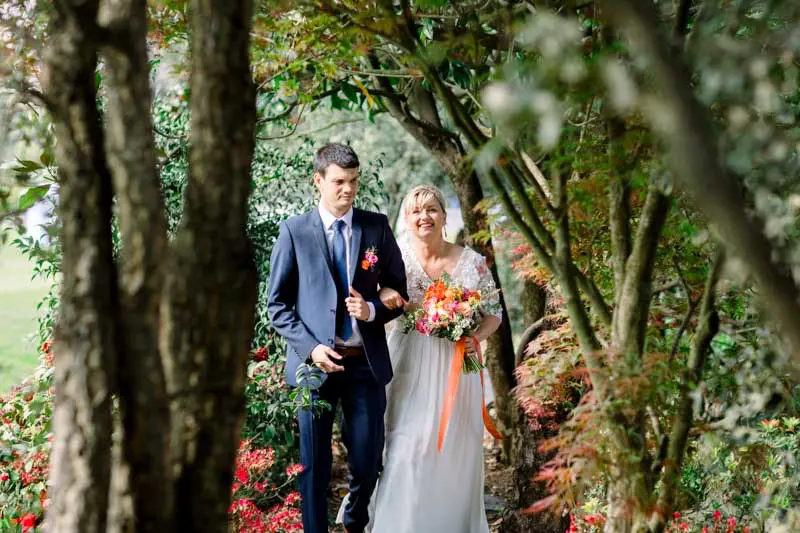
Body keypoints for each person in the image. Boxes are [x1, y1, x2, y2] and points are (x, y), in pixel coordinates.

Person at [267, 143, 408, 533]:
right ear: (319, 181)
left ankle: (355, 521)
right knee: (313, 465)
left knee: (367, 459)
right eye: (339, 182)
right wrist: (311, 348)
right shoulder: (294, 231)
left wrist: (374, 311)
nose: (348, 189)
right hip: (314, 368)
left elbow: (399, 290)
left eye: (353, 181)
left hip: (364, 361)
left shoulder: (376, 227)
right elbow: (276, 305)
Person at [359, 184, 503, 532]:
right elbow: (370, 290)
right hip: (409, 361)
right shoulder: (397, 258)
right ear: (406, 219)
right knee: (406, 448)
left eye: (432, 209)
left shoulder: (472, 262)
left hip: (456, 366)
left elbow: (493, 313)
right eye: (416, 211)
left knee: (452, 453)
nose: (424, 217)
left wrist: (474, 338)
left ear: (443, 216)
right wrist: (386, 291)